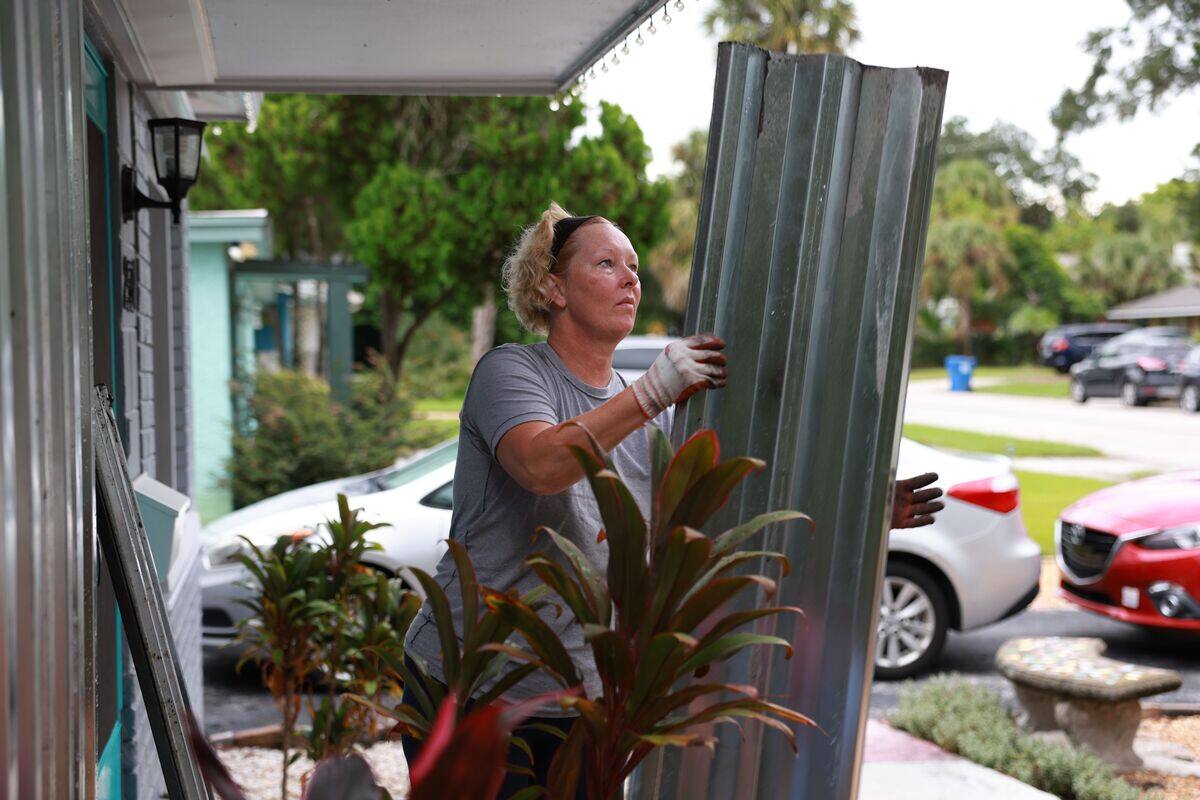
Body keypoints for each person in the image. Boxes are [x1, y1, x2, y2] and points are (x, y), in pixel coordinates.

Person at [401, 202, 944, 797]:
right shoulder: (511, 372)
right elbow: (541, 464)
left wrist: (857, 511)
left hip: (579, 699)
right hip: (472, 681)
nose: (630, 279)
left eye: (633, 267)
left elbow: (719, 521)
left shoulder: (646, 421)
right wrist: (657, 389)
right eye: (606, 264)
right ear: (552, 289)